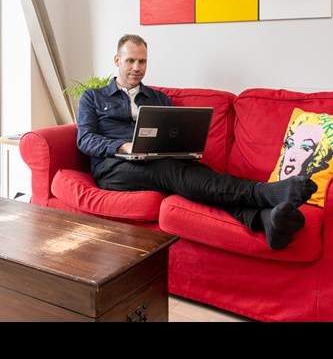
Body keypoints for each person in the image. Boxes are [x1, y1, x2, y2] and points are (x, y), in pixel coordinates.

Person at [77, 33, 318, 251]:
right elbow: (85, 139)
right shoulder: (94, 97)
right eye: (131, 61)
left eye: (143, 61)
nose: (137, 67)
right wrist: (123, 147)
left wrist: (182, 148)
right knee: (170, 171)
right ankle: (265, 192)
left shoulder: (158, 98)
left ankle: (265, 220)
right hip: (113, 168)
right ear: (117, 61)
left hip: (156, 162)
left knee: (199, 174)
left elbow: (171, 136)